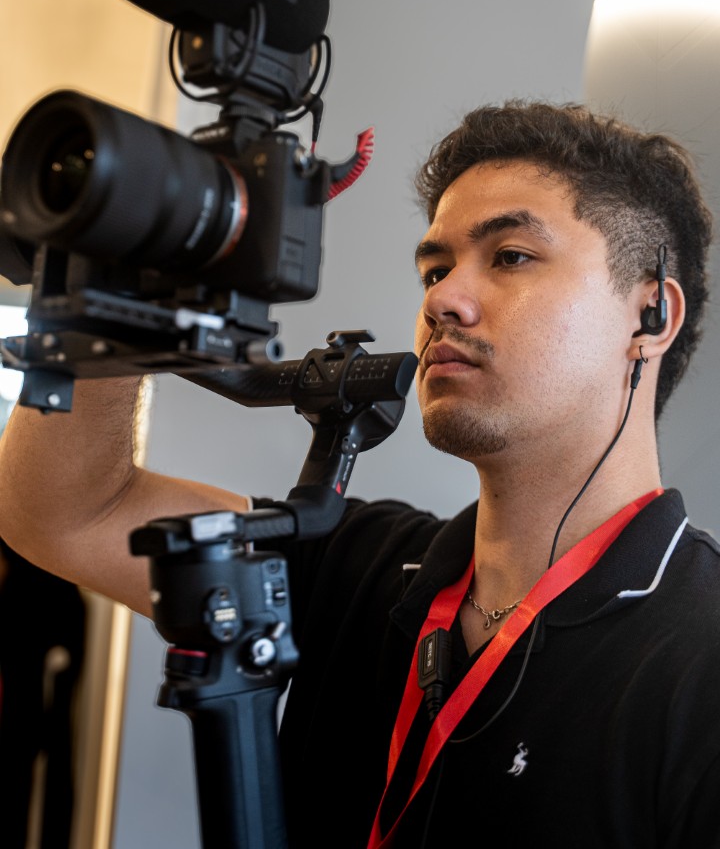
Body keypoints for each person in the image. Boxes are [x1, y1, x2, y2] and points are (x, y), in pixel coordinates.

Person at [0, 99, 716, 847]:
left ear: (650, 319)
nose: (441, 299)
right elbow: (66, 511)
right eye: (435, 267)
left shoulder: (701, 661)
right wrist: (114, 294)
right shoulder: (358, 565)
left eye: (509, 256)